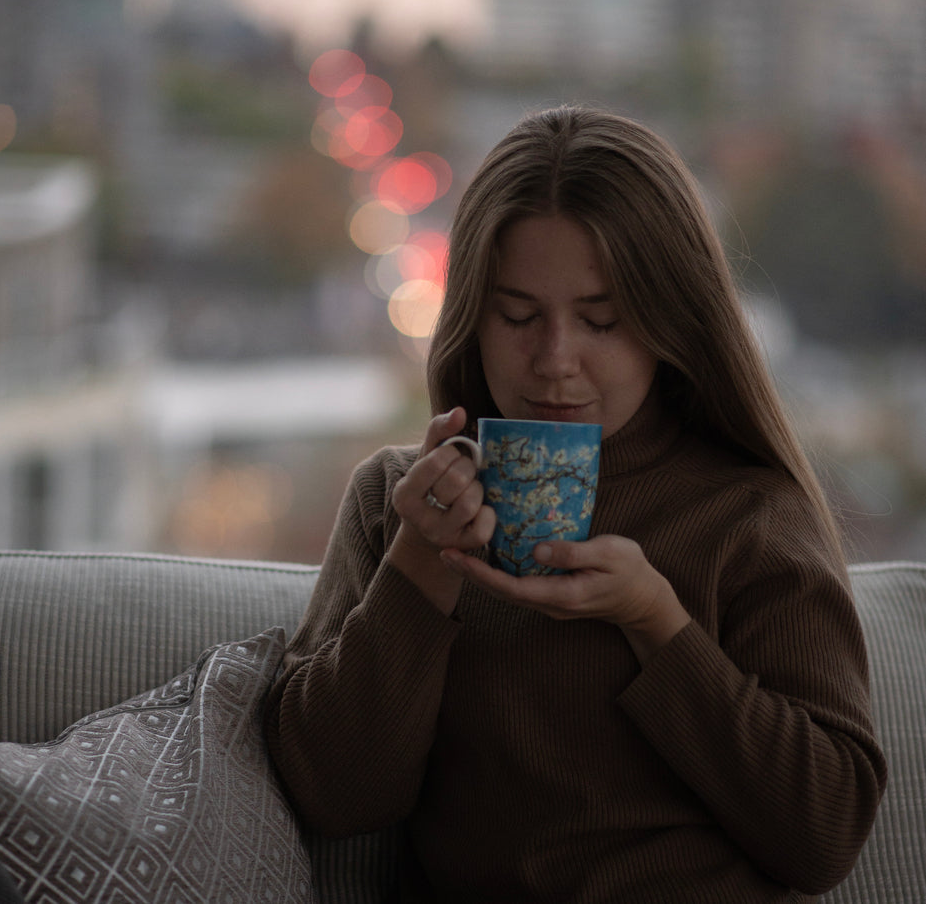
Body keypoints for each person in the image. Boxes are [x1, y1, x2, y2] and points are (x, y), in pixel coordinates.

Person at [264, 105, 887, 903]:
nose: (554, 361)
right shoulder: (397, 505)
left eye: (601, 321)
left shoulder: (746, 514)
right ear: (470, 318)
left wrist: (657, 626)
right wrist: (419, 568)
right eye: (518, 316)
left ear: (670, 324)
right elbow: (332, 797)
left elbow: (825, 833)